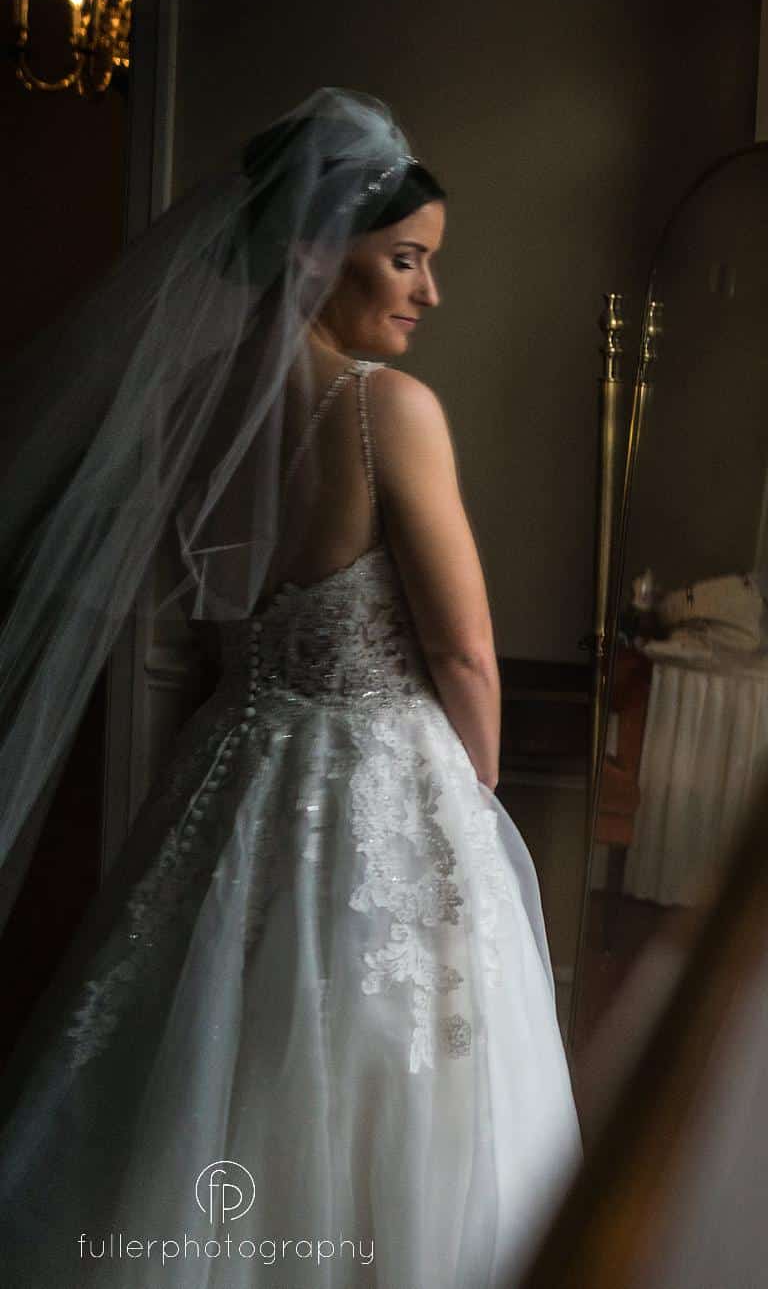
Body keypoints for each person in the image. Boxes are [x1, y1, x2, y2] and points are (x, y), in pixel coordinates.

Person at [0, 89, 580, 1287]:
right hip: (382, 781)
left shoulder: (189, 403)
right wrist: (471, 799)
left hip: (234, 768)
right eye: (405, 260)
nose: (429, 293)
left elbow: (203, 616)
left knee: (215, 1056)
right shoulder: (385, 408)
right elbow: (464, 651)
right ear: (314, 251)